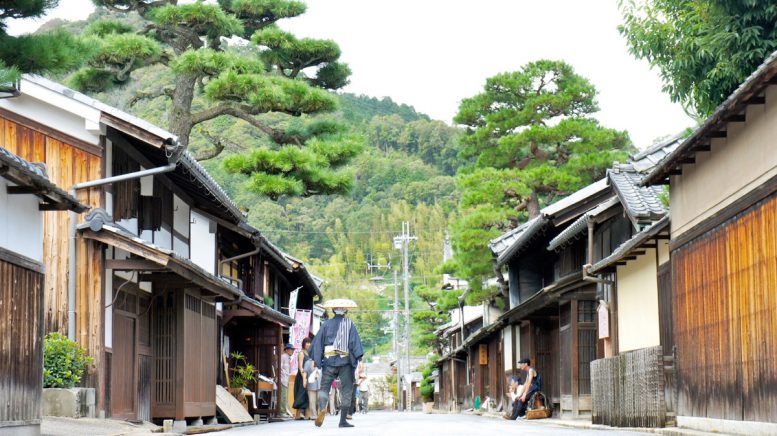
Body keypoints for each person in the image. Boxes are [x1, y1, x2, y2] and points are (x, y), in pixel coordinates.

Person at [311, 299, 364, 428]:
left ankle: (322, 408)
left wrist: (317, 361)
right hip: (345, 362)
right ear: (345, 310)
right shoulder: (349, 324)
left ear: (333, 310)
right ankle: (342, 421)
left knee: (324, 388)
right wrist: (359, 359)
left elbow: (317, 343)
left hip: (329, 361)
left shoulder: (326, 324)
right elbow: (355, 343)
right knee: (347, 390)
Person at [293, 338, 312, 419]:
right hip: (301, 377)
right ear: (303, 344)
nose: (308, 344)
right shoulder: (301, 353)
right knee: (301, 394)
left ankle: (307, 414)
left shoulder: (310, 353)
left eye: (309, 343)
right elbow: (300, 367)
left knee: (307, 395)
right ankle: (298, 414)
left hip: (308, 377)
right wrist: (304, 377)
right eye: (307, 343)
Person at [304, 342, 320, 420]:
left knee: (320, 400)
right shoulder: (307, 362)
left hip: (320, 384)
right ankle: (314, 415)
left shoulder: (321, 361)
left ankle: (319, 415)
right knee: (312, 401)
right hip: (311, 384)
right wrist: (304, 381)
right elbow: (305, 372)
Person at [279, 343, 294, 418]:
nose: (292, 351)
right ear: (287, 350)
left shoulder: (287, 357)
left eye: (293, 350)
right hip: (283, 379)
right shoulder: (284, 357)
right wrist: (283, 376)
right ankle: (282, 412)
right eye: (291, 350)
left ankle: (285, 411)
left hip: (285, 379)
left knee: (285, 396)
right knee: (283, 396)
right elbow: (279, 368)